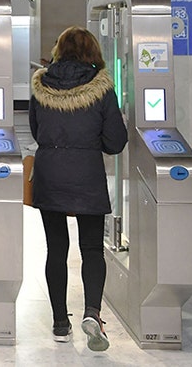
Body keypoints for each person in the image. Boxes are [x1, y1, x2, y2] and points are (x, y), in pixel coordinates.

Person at [28, 26, 127, 350]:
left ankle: (59, 323)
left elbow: (35, 130)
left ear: (59, 50)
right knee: (92, 250)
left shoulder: (41, 85)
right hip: (87, 174)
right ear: (92, 52)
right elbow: (115, 142)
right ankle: (92, 313)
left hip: (50, 173)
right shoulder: (102, 89)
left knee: (56, 249)